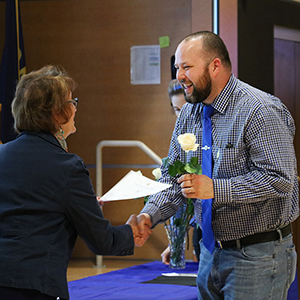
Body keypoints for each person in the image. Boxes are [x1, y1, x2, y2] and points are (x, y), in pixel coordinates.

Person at [134, 31, 299, 299]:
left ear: (215, 66)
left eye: (187, 67)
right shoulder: (189, 112)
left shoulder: (260, 110)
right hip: (209, 252)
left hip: (257, 255)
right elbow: (173, 179)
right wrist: (148, 216)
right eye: (177, 67)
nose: (180, 76)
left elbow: (279, 180)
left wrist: (215, 189)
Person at [0, 65, 141, 300]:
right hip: (34, 288)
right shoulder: (67, 167)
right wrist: (132, 232)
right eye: (71, 102)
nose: (75, 108)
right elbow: (101, 242)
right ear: (56, 114)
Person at [161, 79, 202, 265]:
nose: (182, 115)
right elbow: (180, 192)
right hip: (200, 230)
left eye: (185, 108)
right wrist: (176, 240)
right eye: (177, 110)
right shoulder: (180, 138)